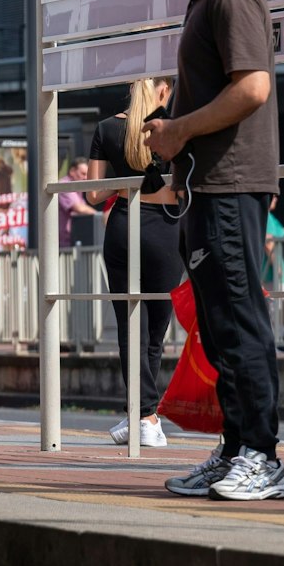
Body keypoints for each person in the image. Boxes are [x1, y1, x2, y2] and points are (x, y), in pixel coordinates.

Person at [145, 0, 284, 502]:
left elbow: (252, 86)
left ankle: (263, 456)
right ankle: (236, 449)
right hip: (210, 187)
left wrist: (177, 130)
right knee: (219, 324)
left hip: (230, 185)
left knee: (239, 322)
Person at [85, 77, 183, 448]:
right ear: (163, 90)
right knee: (156, 330)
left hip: (126, 224)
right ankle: (145, 415)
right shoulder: (174, 128)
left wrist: (128, 179)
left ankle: (141, 413)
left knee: (131, 328)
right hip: (168, 229)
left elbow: (93, 195)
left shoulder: (107, 128)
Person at [59, 160, 99, 246]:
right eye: (83, 174)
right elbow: (80, 208)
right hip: (62, 245)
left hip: (71, 241)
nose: (85, 178)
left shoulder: (78, 189)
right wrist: (100, 216)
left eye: (87, 175)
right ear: (72, 171)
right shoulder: (64, 185)